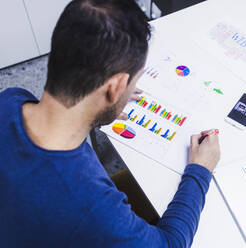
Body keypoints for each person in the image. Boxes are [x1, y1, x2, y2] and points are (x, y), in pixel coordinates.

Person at [0, 0, 220, 247]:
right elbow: (170, 243)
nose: (133, 90)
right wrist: (200, 170)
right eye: (133, 82)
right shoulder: (93, 206)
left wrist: (100, 107)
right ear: (115, 87)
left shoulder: (11, 99)